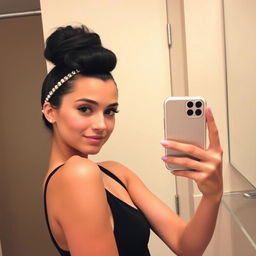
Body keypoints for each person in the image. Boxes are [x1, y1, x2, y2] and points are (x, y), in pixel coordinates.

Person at [41, 25, 223, 256]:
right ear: (50, 112)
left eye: (110, 111)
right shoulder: (78, 174)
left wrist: (212, 195)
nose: (101, 124)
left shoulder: (115, 172)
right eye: (85, 108)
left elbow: (186, 245)